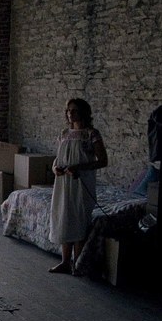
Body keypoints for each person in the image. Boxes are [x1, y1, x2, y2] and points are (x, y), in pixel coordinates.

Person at [48, 98, 108, 274]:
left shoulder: (91, 134)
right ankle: (65, 262)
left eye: (74, 110)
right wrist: (55, 168)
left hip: (81, 182)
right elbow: (58, 158)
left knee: (79, 218)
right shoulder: (64, 134)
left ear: (83, 112)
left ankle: (78, 264)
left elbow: (102, 161)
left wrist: (79, 168)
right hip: (63, 182)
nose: (70, 114)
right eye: (68, 110)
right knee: (65, 217)